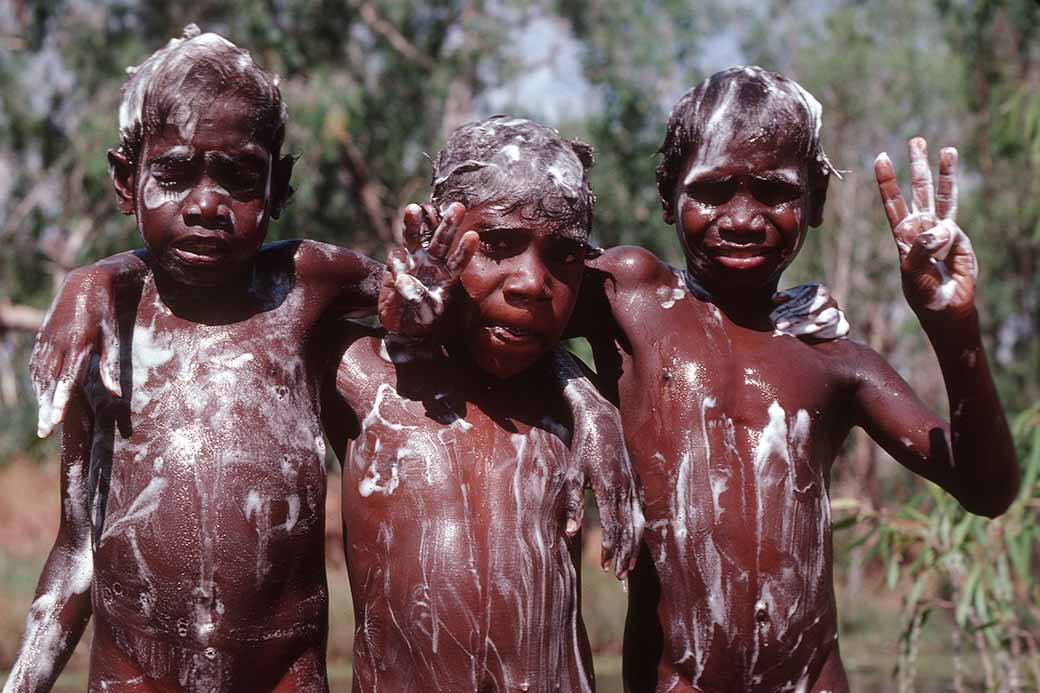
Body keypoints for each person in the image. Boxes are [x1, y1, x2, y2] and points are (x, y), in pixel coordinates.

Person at [9, 30, 644, 692]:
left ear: (278, 184)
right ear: (124, 181)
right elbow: (78, 542)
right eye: (173, 174)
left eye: (238, 176)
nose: (204, 204)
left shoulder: (302, 290)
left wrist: (588, 401)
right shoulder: (102, 326)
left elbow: (454, 310)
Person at [597, 66, 1017, 691]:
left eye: (774, 192)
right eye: (713, 191)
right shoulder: (630, 300)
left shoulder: (836, 362)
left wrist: (953, 329)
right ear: (668, 197)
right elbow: (501, 293)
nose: (742, 218)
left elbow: (987, 490)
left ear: (816, 202)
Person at [322, 116, 642, 691]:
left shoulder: (573, 410)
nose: (530, 283)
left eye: (562, 256)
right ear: (435, 237)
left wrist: (586, 395)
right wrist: (386, 292)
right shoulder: (360, 373)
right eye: (495, 244)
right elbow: (241, 286)